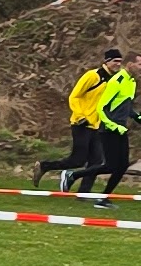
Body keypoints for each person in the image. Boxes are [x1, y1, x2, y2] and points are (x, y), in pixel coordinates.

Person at [40, 48, 121, 192]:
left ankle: (84, 192)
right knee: (77, 160)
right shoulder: (93, 75)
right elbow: (74, 96)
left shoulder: (114, 80)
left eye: (120, 61)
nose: (118, 64)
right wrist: (80, 116)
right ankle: (45, 166)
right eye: (115, 61)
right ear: (107, 61)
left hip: (97, 126)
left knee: (96, 162)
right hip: (82, 123)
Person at [85, 51, 138, 208]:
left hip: (121, 129)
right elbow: (101, 107)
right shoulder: (117, 80)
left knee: (121, 166)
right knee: (112, 166)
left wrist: (138, 118)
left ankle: (103, 198)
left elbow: (126, 107)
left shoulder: (131, 81)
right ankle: (73, 175)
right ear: (130, 64)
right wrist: (114, 126)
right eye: (140, 64)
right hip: (109, 129)